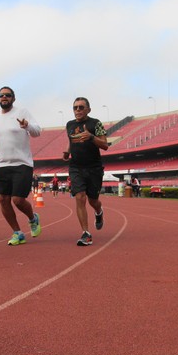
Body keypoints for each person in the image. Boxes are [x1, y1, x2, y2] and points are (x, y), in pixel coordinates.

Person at [0, 86, 42, 246]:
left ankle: (32, 218)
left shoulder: (22, 112)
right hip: (2, 164)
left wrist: (27, 125)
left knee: (18, 200)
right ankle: (17, 232)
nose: (4, 97)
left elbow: (37, 132)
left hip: (22, 163)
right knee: (3, 199)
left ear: (13, 98)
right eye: (1, 95)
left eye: (8, 95)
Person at [62, 97, 108, 246]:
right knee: (80, 196)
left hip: (94, 168)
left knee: (93, 200)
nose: (78, 110)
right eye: (75, 108)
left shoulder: (96, 123)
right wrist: (67, 152)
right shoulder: (69, 124)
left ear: (88, 109)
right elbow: (71, 140)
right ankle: (86, 233)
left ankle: (99, 212)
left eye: (81, 107)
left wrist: (91, 137)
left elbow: (105, 145)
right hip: (76, 167)